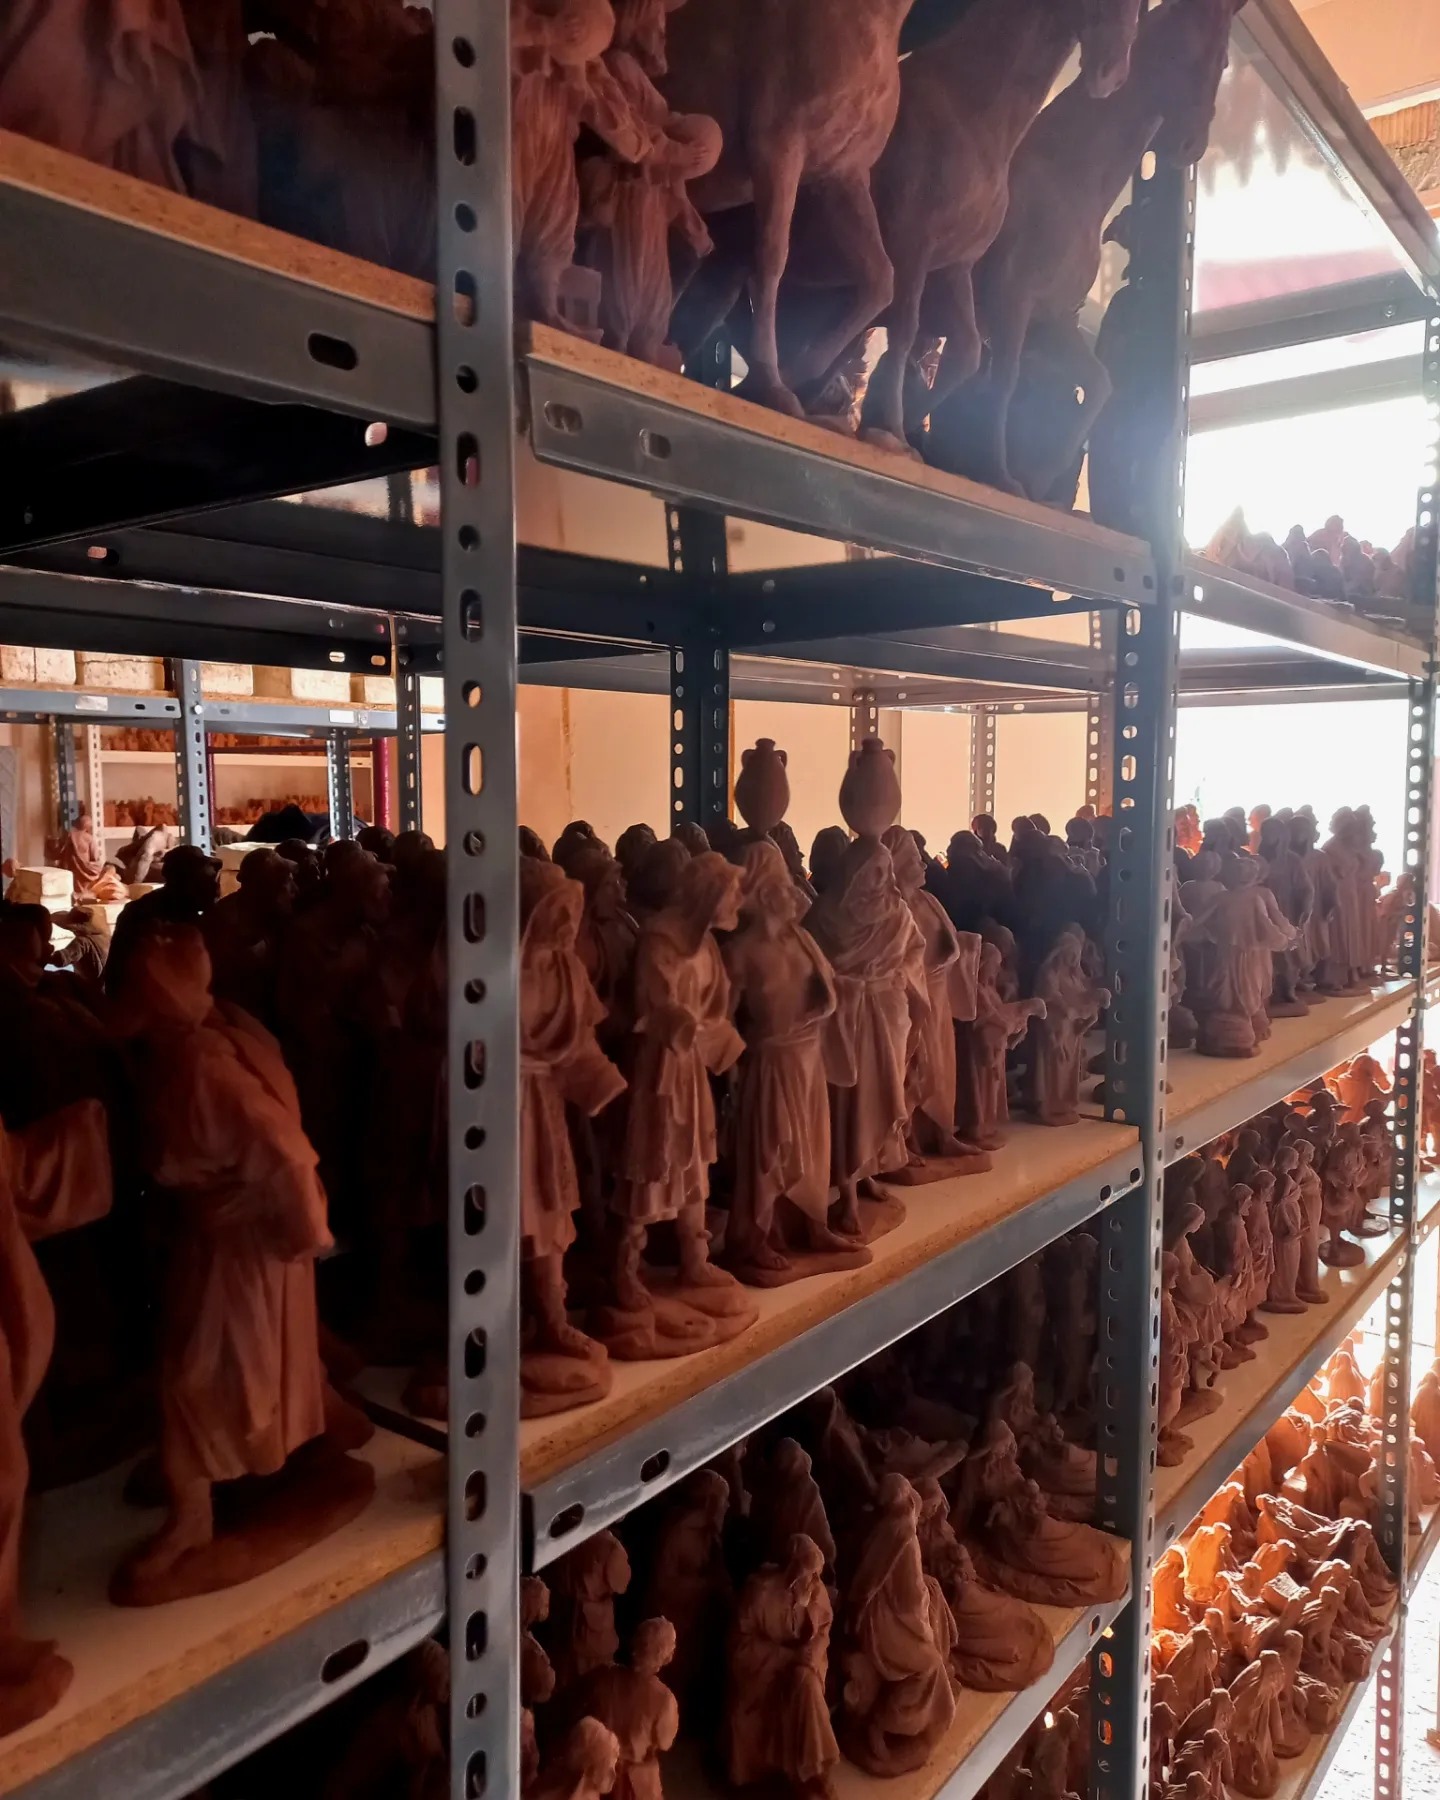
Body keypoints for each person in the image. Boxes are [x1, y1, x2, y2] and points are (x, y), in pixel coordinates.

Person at [105, 844, 221, 995]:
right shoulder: (154, 920)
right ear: (185, 882)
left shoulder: (178, 909)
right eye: (206, 882)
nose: (215, 890)